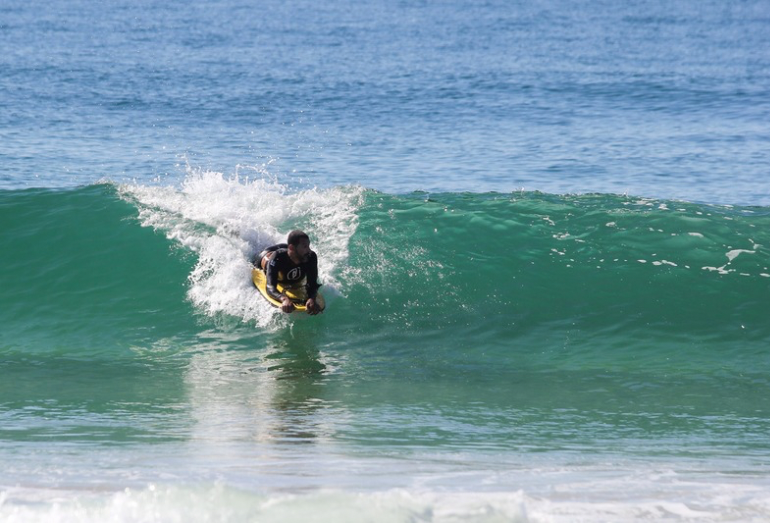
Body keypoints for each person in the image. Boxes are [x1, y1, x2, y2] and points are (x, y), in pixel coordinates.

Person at [254, 230, 322, 315]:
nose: (309, 250)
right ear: (292, 248)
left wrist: (312, 298)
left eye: (308, 246)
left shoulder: (311, 257)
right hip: (265, 256)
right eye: (305, 247)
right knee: (258, 254)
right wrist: (284, 299)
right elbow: (270, 287)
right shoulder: (277, 258)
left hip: (289, 249)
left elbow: (313, 284)